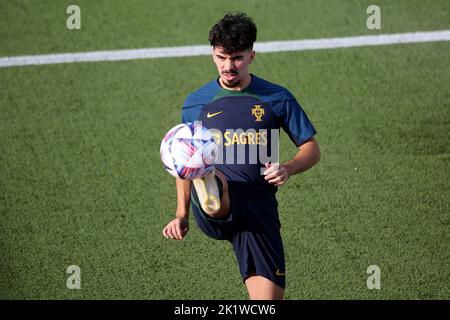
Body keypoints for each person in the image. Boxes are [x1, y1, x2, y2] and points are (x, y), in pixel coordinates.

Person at [162, 13, 320, 300]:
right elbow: (183, 166)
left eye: (236, 58)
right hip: (216, 203)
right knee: (201, 164)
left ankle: (210, 179)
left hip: (258, 209)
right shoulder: (197, 103)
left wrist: (287, 167)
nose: (228, 66)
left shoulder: (277, 98)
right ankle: (210, 181)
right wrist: (181, 213)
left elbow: (311, 149)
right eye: (221, 57)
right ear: (213, 55)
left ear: (251, 56)